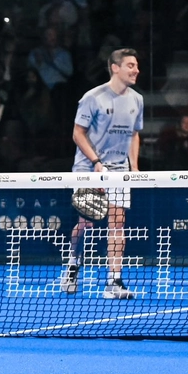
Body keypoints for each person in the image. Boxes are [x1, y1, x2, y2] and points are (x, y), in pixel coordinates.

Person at [62, 48, 143, 300]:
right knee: (86, 223)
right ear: (115, 68)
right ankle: (72, 266)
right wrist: (96, 161)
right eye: (131, 65)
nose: (136, 70)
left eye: (137, 65)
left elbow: (134, 134)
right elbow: (78, 133)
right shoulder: (93, 97)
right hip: (88, 169)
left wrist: (135, 167)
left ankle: (114, 281)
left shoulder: (137, 99)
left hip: (119, 171)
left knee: (117, 223)